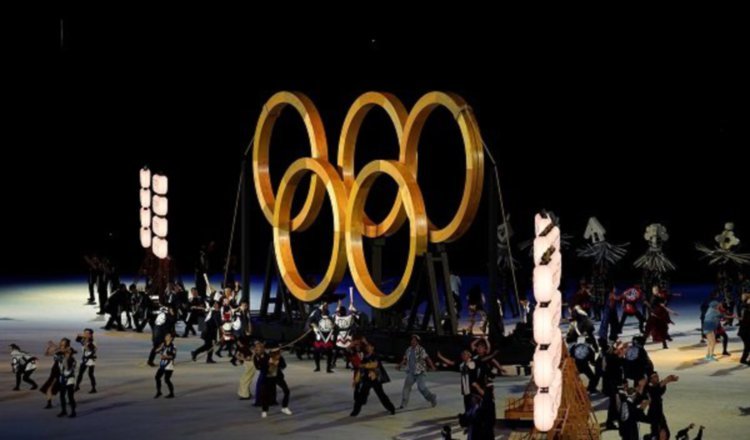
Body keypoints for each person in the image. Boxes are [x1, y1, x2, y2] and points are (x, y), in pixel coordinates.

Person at [350, 343, 395, 416]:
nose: (367, 348)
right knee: (361, 395)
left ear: (373, 348)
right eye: (367, 346)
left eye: (369, 346)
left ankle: (391, 408)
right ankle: (355, 411)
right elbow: (360, 369)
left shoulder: (376, 356)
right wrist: (356, 380)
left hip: (375, 379)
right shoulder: (365, 357)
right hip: (366, 379)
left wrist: (364, 365)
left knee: (381, 395)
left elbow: (375, 364)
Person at [253, 342, 292, 418]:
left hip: (278, 376)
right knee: (265, 394)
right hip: (268, 377)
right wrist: (268, 363)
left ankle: (285, 407)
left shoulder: (278, 356)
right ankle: (264, 410)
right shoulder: (262, 356)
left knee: (286, 390)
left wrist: (278, 363)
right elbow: (258, 367)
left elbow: (284, 365)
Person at [397, 334, 437, 409]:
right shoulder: (408, 350)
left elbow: (427, 358)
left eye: (414, 340)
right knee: (406, 387)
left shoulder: (421, 349)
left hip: (420, 372)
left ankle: (432, 398)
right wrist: (399, 365)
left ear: (417, 342)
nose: (412, 341)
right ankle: (404, 403)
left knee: (421, 388)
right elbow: (405, 359)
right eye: (412, 340)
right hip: (411, 372)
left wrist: (432, 366)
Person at [645, 371, 678, 440]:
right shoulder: (648, 388)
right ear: (650, 380)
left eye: (657, 376)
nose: (657, 377)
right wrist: (667, 380)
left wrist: (667, 381)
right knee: (661, 434)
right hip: (654, 415)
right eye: (654, 376)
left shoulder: (656, 389)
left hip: (658, 415)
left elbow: (660, 388)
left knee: (665, 434)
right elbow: (656, 390)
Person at [40, 338, 69, 409]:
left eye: (64, 342)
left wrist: (54, 346)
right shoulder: (57, 349)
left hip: (61, 371)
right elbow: (46, 354)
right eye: (61, 342)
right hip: (54, 370)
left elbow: (64, 352)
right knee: (49, 387)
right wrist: (49, 347)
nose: (62, 343)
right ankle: (49, 403)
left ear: (66, 344)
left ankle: (67, 400)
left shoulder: (68, 350)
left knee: (60, 387)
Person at [57, 341, 78, 418]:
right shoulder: (62, 358)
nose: (67, 352)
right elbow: (55, 354)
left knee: (70, 396)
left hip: (70, 379)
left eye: (68, 351)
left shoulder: (72, 360)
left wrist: (64, 359)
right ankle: (64, 411)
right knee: (62, 395)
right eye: (67, 351)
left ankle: (73, 411)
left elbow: (67, 367)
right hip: (62, 378)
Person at [312, 306, 335, 373]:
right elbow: (334, 327)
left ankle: (318, 367)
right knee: (329, 355)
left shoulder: (319, 318)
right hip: (327, 339)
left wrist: (314, 326)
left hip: (320, 340)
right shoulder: (331, 319)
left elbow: (314, 325)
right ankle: (327, 369)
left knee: (317, 354)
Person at [74, 329, 97, 393]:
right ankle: (77, 386)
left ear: (90, 334)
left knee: (90, 374)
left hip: (90, 359)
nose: (85, 334)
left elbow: (89, 349)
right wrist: (79, 336)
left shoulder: (93, 342)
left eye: (87, 333)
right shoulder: (84, 339)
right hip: (84, 359)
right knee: (80, 373)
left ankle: (93, 388)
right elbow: (77, 340)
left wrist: (84, 343)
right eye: (85, 333)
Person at [154, 333, 176, 398]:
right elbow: (156, 351)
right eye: (166, 336)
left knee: (167, 379)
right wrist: (159, 349)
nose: (166, 337)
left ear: (171, 338)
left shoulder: (173, 347)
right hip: (162, 364)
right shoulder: (163, 345)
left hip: (169, 365)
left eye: (168, 336)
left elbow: (173, 356)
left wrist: (166, 357)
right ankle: (159, 391)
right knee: (157, 377)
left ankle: (172, 393)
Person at [738, 296, 750, 365]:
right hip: (745, 332)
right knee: (748, 346)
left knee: (747, 346)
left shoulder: (745, 310)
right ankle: (744, 360)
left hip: (744, 332)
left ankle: (743, 359)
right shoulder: (746, 311)